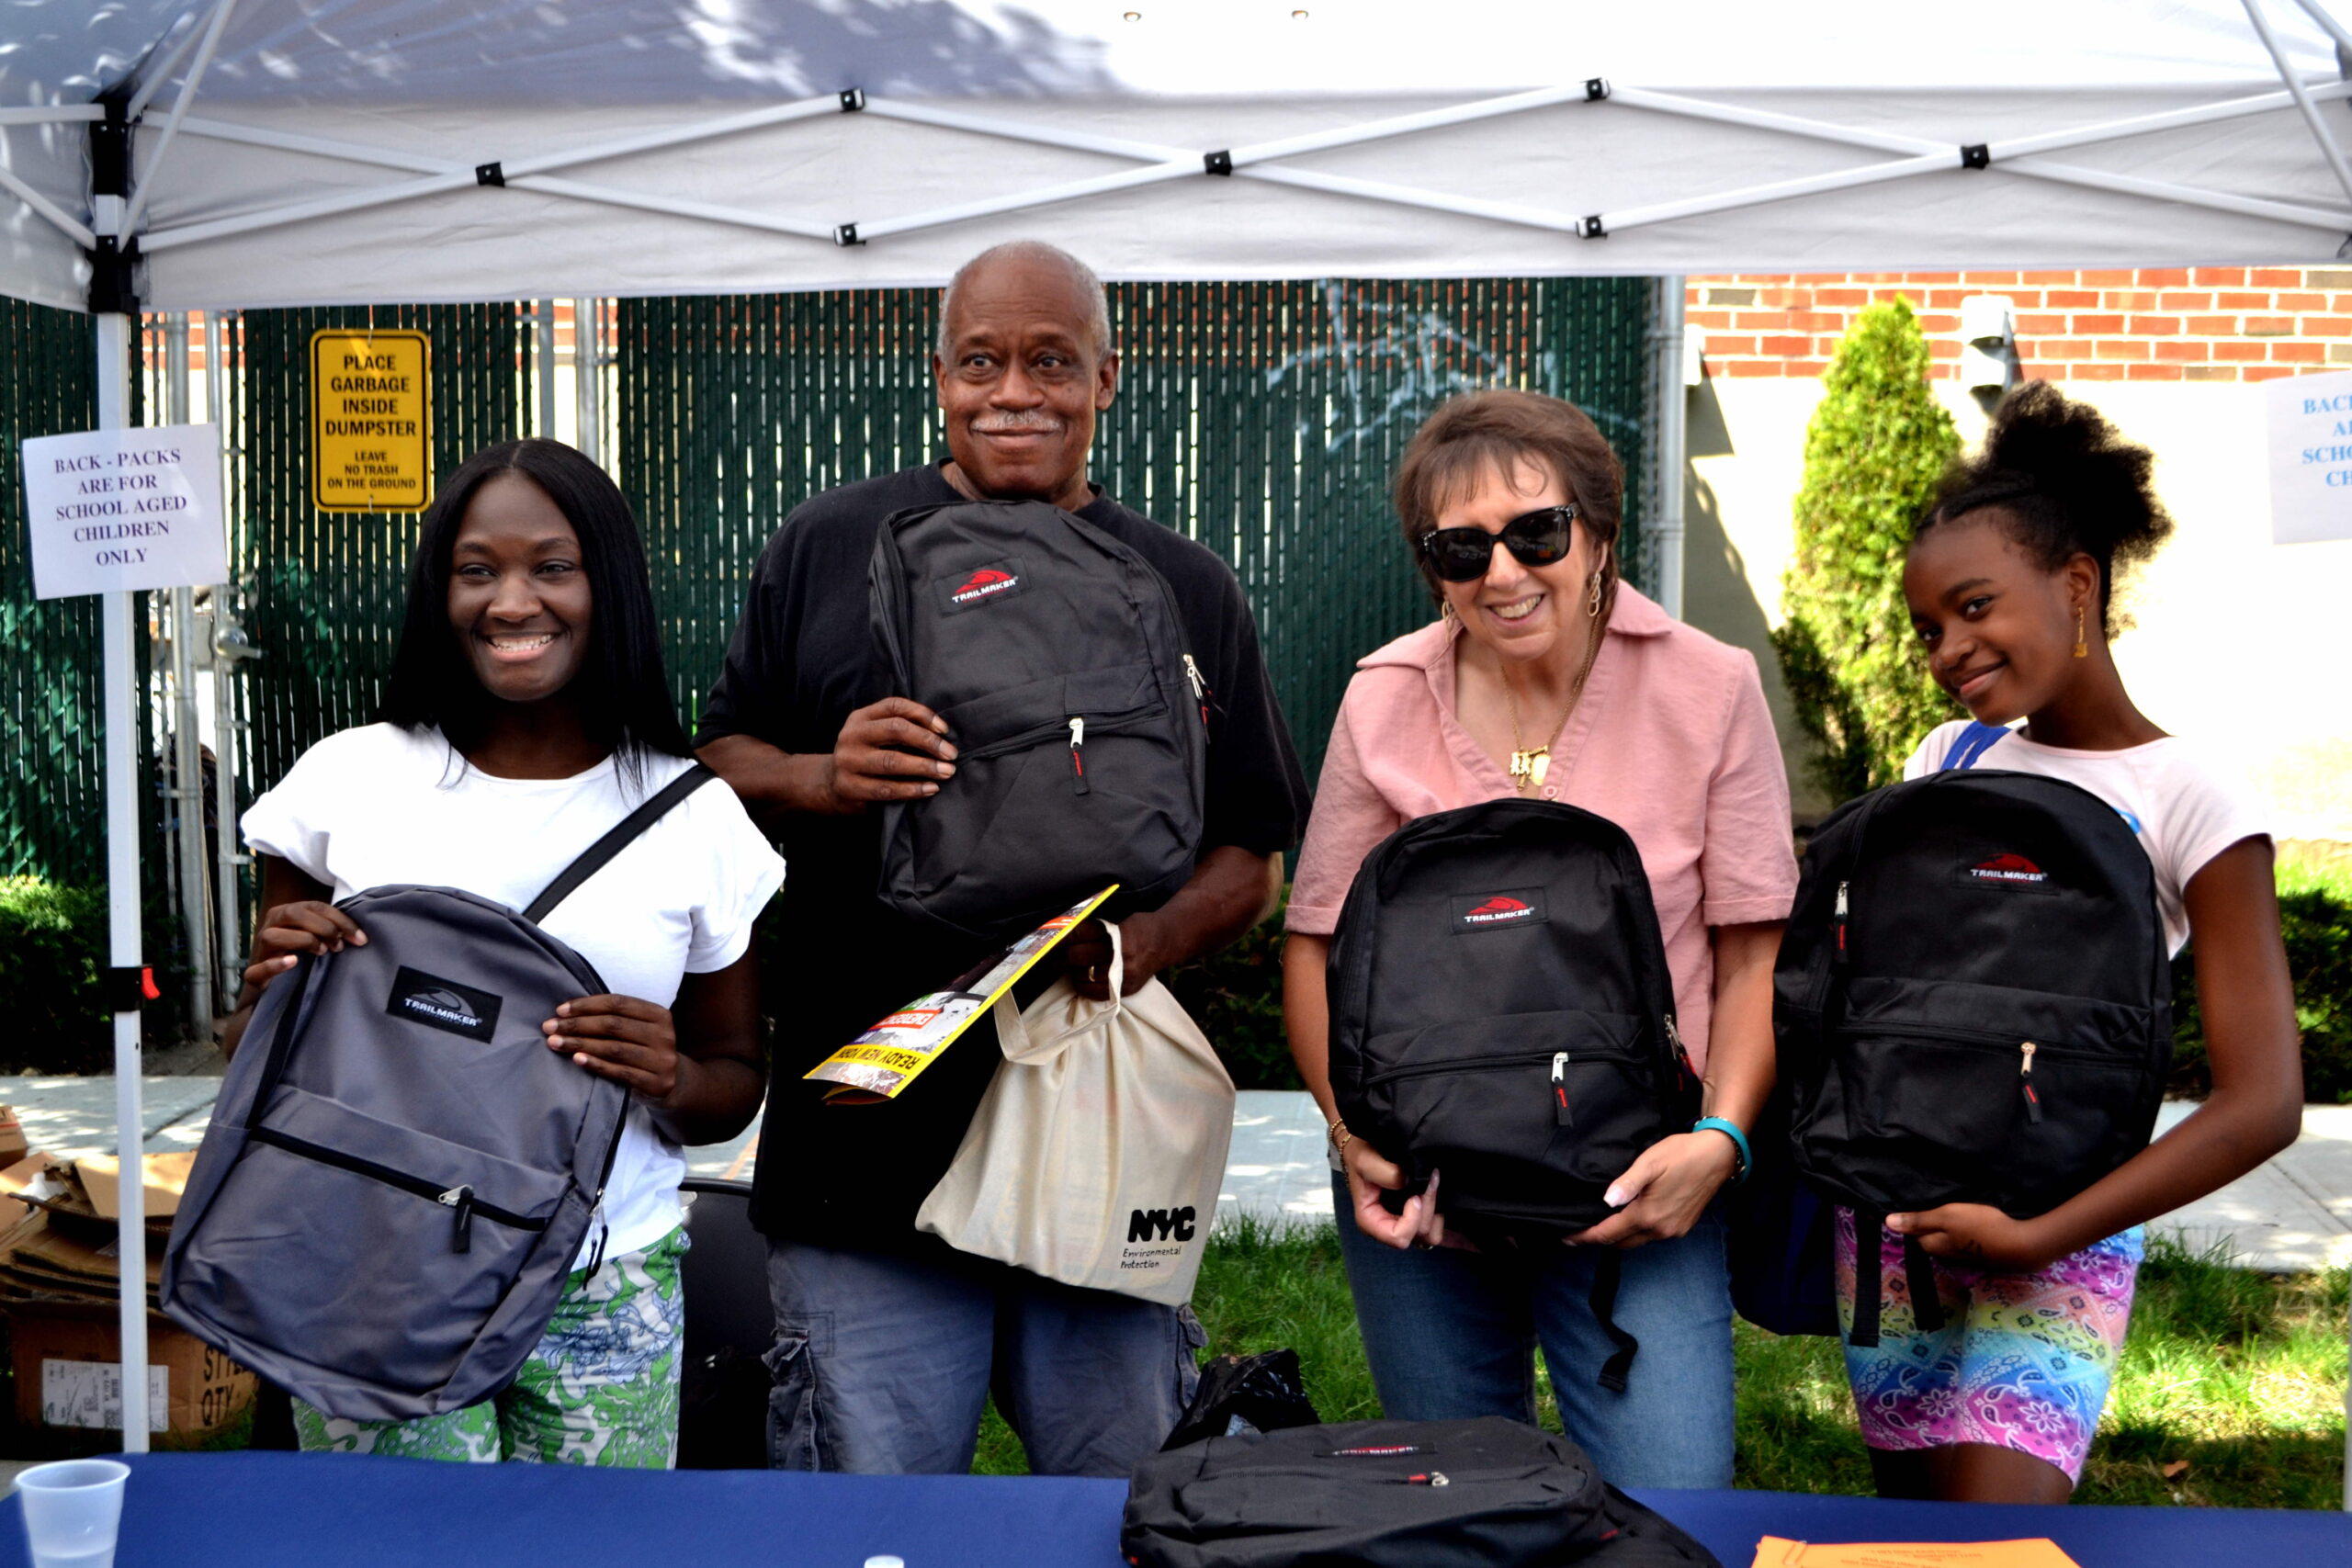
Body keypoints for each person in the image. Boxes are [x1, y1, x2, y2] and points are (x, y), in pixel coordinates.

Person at [695, 240, 1309, 1478]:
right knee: (872, 1523)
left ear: (1106, 378)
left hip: (1097, 1144)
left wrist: (1144, 944)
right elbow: (714, 762)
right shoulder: (827, 545)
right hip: (863, 1154)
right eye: (981, 362)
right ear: (939, 377)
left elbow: (1253, 855)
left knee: (1117, 1509)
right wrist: (819, 776)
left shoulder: (1185, 586)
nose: (1013, 392)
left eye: (1051, 361)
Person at [226, 438, 784, 1466]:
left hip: (605, 1282)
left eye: (552, 567)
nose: (512, 601)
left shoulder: (695, 815)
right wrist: (270, 998)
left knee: (595, 1547)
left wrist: (667, 1076)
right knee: (402, 1546)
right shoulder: (349, 781)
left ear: (607, 585)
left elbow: (733, 1082)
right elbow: (255, 1053)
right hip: (373, 1271)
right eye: (476, 569)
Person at [1281, 389, 1797, 1490]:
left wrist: (1717, 1145)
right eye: (1461, 550)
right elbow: (1315, 945)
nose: (1503, 573)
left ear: (1598, 534)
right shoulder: (1383, 698)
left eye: (1536, 533)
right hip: (1425, 1185)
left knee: (1670, 1500)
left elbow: (1751, 955)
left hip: (1638, 1180)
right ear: (1433, 570)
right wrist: (1347, 1133)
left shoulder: (1709, 687)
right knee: (1456, 1507)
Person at [1859, 382, 2302, 1503]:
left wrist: (2038, 1236)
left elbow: (2263, 1102)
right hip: (1900, 1219)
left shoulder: (2189, 795)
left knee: (1995, 1543)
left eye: (1974, 607)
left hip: (2063, 1224)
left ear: (2076, 584)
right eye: (1929, 629)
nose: (1949, 650)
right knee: (1915, 1535)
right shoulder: (1947, 762)